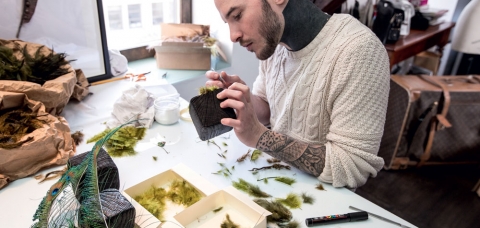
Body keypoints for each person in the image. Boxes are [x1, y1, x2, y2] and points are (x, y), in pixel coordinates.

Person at [205, 0, 390, 189]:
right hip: (275, 181)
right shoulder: (274, 43)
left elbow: (352, 166)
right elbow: (269, 109)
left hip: (324, 200)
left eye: (237, 16)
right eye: (228, 23)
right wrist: (244, 101)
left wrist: (260, 136)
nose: (233, 36)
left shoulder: (359, 50)